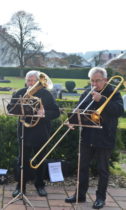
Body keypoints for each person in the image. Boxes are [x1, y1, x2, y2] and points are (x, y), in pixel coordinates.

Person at [65, 67, 124, 209]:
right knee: (82, 167)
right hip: (87, 136)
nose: (94, 84)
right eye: (92, 81)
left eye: (97, 80)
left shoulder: (114, 93)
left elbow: (119, 111)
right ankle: (80, 194)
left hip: (105, 137)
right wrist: (72, 120)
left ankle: (100, 198)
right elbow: (79, 109)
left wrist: (102, 99)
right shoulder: (87, 92)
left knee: (102, 169)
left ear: (105, 79)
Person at [7, 70, 60, 197]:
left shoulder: (46, 94)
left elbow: (56, 112)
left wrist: (44, 113)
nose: (31, 83)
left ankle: (40, 185)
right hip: (24, 131)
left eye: (34, 81)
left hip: (41, 132)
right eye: (29, 80)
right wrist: (18, 110)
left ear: (38, 81)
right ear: (26, 81)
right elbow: (10, 108)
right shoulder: (20, 93)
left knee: (40, 160)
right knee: (22, 161)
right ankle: (20, 186)